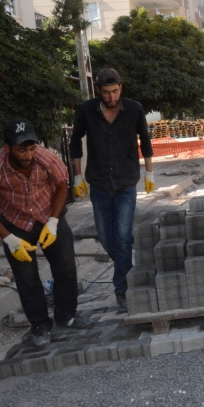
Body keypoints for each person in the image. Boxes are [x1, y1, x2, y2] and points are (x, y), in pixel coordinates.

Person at [0, 119, 93, 348]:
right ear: (8, 148)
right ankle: (39, 326)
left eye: (31, 148)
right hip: (16, 224)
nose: (28, 155)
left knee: (65, 267)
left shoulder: (46, 158)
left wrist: (54, 222)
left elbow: (61, 186)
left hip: (48, 215)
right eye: (21, 149)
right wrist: (9, 238)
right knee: (27, 278)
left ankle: (66, 315)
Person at [70, 68, 154, 311]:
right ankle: (130, 270)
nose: (111, 97)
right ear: (99, 90)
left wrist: (149, 172)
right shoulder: (86, 111)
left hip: (126, 181)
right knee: (106, 237)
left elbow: (145, 141)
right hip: (99, 184)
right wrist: (77, 178)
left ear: (121, 87)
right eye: (106, 92)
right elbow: (75, 143)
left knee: (123, 235)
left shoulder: (134, 109)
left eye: (115, 91)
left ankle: (123, 290)